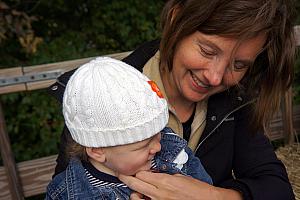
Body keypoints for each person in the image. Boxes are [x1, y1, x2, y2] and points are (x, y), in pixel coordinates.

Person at [48, 0, 296, 199]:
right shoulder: (97, 101)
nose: (215, 76)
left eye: (239, 64)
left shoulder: (236, 98)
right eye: (207, 51)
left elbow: (276, 188)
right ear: (175, 19)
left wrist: (212, 196)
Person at [46, 57, 213, 200]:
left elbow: (203, 188)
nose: (158, 146)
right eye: (143, 145)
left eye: (158, 133)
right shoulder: (68, 193)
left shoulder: (173, 152)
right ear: (97, 151)